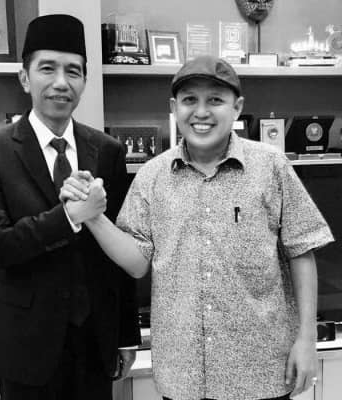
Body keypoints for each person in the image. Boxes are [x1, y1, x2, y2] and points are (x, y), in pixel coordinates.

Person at [60, 55, 334, 400]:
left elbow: (301, 250)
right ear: (174, 107)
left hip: (261, 373)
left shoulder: (272, 167)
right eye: (190, 100)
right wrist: (93, 216)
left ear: (237, 107)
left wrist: (307, 339)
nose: (201, 112)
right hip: (182, 376)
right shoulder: (152, 176)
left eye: (215, 100)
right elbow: (137, 262)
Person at [0, 14, 140, 400]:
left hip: (94, 341)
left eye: (73, 71)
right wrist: (69, 217)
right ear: (25, 78)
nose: (61, 82)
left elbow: (121, 248)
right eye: (47, 68)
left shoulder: (107, 150)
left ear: (84, 81)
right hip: (24, 343)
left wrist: (126, 334)